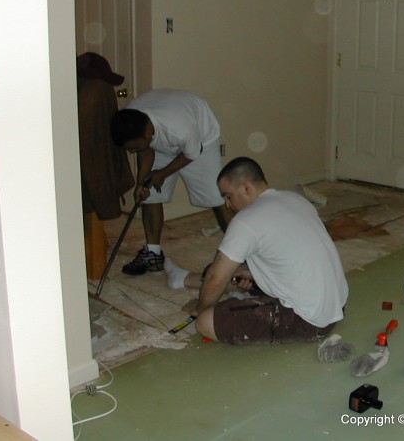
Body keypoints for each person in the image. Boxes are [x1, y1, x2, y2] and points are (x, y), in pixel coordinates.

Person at [187, 157, 349, 344]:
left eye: (228, 196)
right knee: (237, 273)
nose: (228, 205)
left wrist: (201, 309)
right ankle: (192, 281)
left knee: (205, 322)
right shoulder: (295, 199)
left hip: (310, 321)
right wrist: (247, 273)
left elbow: (215, 279)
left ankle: (219, 299)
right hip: (337, 304)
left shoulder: (246, 220)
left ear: (246, 188)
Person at [110, 89, 231, 275]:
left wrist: (162, 174)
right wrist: (141, 184)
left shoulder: (179, 127)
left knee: (218, 197)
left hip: (201, 142)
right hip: (162, 140)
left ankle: (240, 255)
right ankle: (153, 255)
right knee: (150, 196)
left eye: (133, 148)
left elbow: (192, 153)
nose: (132, 152)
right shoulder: (133, 118)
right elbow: (146, 150)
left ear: (148, 132)